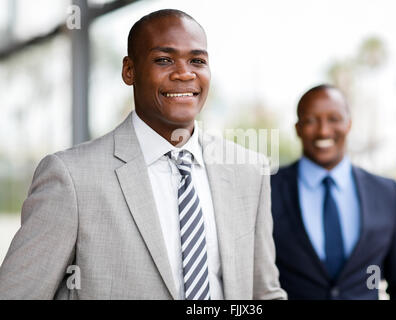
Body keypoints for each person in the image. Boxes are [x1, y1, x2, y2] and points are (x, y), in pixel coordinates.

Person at [0, 9, 286, 300]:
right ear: (129, 70)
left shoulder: (249, 171)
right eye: (164, 59)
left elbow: (263, 293)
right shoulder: (71, 177)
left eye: (197, 61)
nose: (185, 73)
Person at [271, 84, 396, 299]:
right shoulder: (267, 191)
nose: (324, 130)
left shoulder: (386, 193)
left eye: (333, 119)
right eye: (311, 120)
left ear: (349, 124)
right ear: (297, 128)